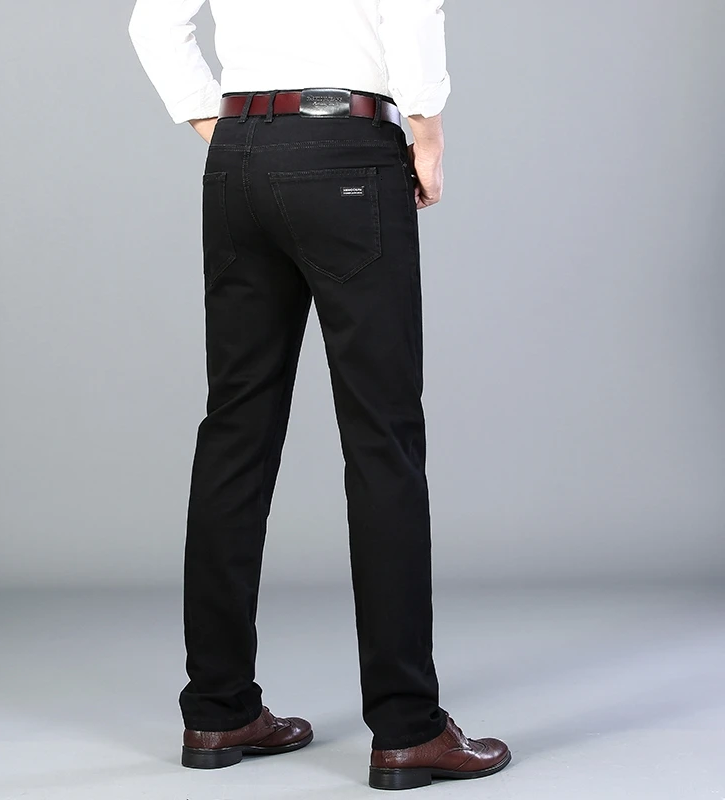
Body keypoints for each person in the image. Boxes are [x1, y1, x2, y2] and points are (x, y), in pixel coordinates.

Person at [127, 0, 511, 790]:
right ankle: (407, 730)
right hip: (347, 151)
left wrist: (218, 127)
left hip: (236, 155)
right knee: (381, 438)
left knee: (235, 429)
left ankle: (218, 708)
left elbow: (152, 24)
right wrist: (429, 137)